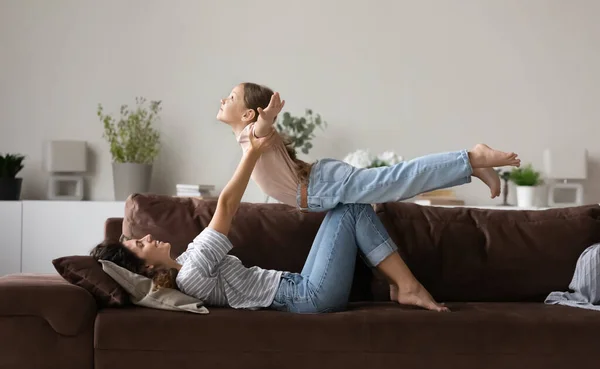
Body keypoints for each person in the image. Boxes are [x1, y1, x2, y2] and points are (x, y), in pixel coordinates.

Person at [91, 128, 449, 313]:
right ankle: (407, 286)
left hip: (303, 287)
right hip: (308, 296)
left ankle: (400, 284)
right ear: (147, 270)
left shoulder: (187, 265)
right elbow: (227, 207)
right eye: (140, 245)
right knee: (352, 207)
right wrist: (251, 153)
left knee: (350, 205)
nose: (147, 236)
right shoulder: (191, 274)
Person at [218, 82, 521, 211]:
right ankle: (473, 166)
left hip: (323, 187)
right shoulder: (250, 139)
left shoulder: (250, 135)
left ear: (247, 115)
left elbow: (260, 128)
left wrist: (267, 118)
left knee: (400, 180)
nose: (223, 100)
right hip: (322, 183)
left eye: (231, 97)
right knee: (396, 184)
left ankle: (472, 157)